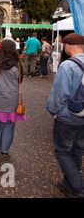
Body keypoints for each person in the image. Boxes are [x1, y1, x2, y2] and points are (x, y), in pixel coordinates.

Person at [46, 33, 84, 198]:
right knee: (77, 150)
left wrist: (53, 111)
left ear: (67, 46)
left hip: (68, 117)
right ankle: (68, 183)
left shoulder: (68, 66)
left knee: (62, 151)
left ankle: (77, 187)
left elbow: (59, 94)